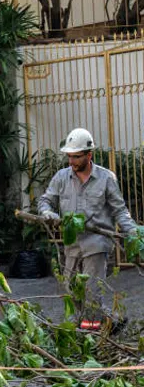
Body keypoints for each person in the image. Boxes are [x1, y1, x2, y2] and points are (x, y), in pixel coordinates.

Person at [38, 128, 137, 330]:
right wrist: (47, 213)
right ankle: (112, 320)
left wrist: (134, 233)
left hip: (96, 243)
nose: (71, 161)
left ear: (89, 155)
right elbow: (45, 200)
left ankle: (90, 336)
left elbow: (120, 211)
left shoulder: (106, 178)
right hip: (72, 242)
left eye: (76, 157)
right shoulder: (61, 178)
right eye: (69, 156)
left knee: (91, 291)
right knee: (71, 288)